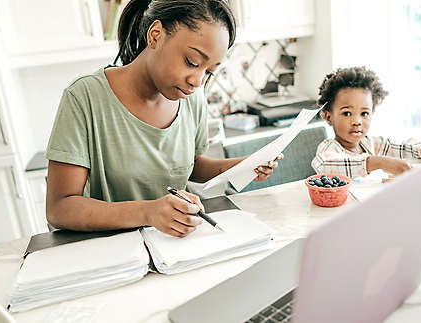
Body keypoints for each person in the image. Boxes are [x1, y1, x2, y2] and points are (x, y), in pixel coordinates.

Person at [45, 0, 282, 238]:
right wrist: (148, 212)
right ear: (156, 35)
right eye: (192, 62)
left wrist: (243, 165)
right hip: (116, 250)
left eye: (209, 71)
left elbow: (190, 165)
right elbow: (60, 208)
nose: (197, 81)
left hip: (176, 245)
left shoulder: (192, 97)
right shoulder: (84, 97)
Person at [311, 66, 421, 179]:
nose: (357, 121)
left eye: (364, 114)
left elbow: (400, 147)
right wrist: (380, 162)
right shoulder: (328, 148)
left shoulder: (369, 143)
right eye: (347, 113)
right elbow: (324, 165)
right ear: (329, 117)